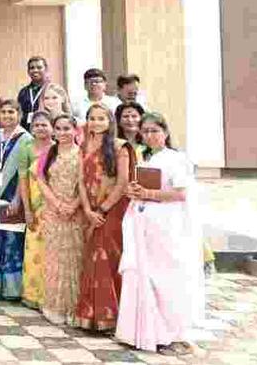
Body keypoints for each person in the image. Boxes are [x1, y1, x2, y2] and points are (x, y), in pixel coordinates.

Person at [116, 112, 204, 356]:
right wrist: (134, 191)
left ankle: (171, 333)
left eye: (155, 130)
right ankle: (145, 331)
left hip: (167, 224)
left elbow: (181, 193)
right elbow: (140, 187)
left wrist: (149, 195)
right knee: (144, 275)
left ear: (165, 133)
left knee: (166, 277)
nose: (150, 135)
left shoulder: (176, 159)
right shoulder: (144, 158)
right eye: (146, 131)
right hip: (144, 222)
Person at [75, 103, 133, 332]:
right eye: (92, 118)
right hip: (90, 211)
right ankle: (90, 315)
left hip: (113, 211)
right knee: (91, 261)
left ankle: (111, 317)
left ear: (110, 122)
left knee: (106, 261)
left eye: (101, 118)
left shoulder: (120, 147)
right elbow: (80, 180)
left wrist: (103, 209)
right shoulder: (84, 146)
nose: (96, 122)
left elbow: (123, 183)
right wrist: (88, 210)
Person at [0, 99, 31, 301]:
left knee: (12, 241)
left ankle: (12, 290)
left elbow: (24, 172)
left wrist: (18, 198)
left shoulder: (25, 138)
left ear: (19, 114)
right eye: (4, 112)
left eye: (12, 112)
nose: (8, 116)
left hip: (13, 194)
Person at [39, 113, 85, 326]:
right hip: (53, 212)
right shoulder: (49, 152)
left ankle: (74, 308)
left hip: (76, 213)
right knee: (55, 259)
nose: (63, 133)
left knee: (75, 259)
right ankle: (55, 307)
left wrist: (74, 205)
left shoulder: (83, 154)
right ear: (54, 131)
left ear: (76, 130)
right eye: (59, 129)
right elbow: (41, 181)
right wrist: (57, 205)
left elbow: (86, 185)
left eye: (67, 128)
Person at [18, 111, 55, 310]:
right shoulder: (26, 148)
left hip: (55, 206)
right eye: (37, 125)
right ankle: (34, 295)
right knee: (34, 250)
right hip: (34, 204)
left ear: (52, 127)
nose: (41, 128)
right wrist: (28, 209)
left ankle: (51, 295)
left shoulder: (58, 149)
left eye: (45, 125)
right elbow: (23, 180)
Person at [16, 56, 49, 128]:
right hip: (27, 133)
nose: (35, 70)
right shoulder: (23, 92)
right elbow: (19, 114)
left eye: (39, 67)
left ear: (46, 70)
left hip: (46, 132)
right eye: (32, 68)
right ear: (28, 71)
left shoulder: (52, 90)